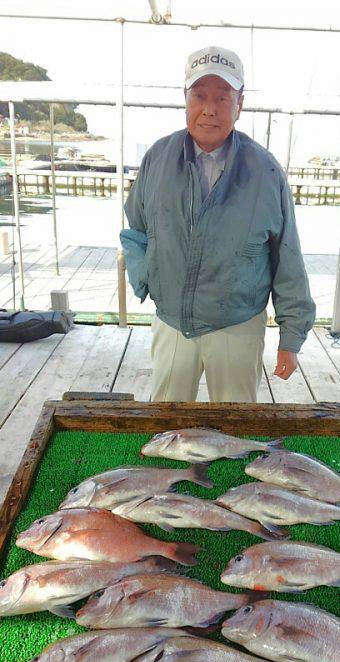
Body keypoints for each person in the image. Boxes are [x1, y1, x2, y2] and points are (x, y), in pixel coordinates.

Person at [121, 45, 315, 402]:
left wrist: (292, 336)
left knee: (236, 428)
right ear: (186, 99)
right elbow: (135, 230)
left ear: (240, 103)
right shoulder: (157, 158)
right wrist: (146, 279)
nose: (209, 109)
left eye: (223, 98)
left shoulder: (266, 171)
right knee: (167, 426)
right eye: (200, 95)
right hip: (172, 322)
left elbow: (287, 256)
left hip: (238, 324)